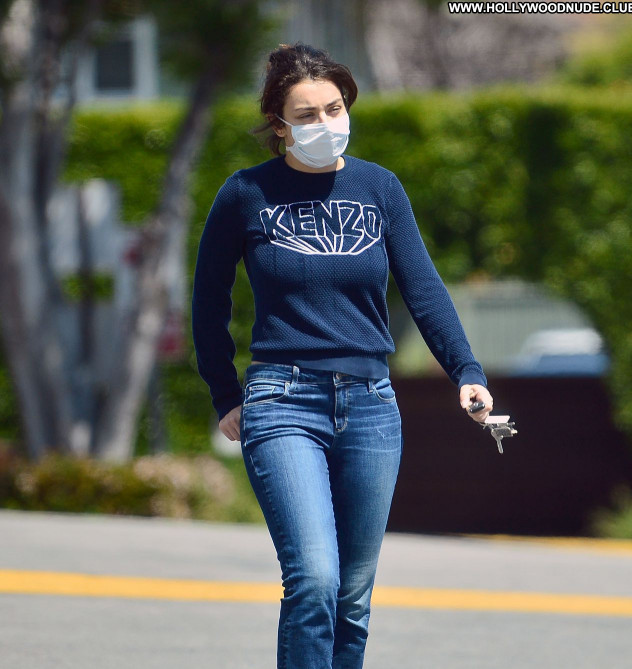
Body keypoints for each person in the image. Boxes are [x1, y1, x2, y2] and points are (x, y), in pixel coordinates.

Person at [192, 42, 494, 669]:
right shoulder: (246, 193)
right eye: (307, 115)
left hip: (371, 405)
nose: (325, 124)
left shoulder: (379, 187)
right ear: (279, 125)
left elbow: (423, 288)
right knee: (315, 580)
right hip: (282, 400)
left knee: (352, 597)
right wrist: (225, 393)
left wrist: (465, 370)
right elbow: (207, 300)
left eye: (334, 109)